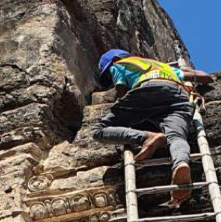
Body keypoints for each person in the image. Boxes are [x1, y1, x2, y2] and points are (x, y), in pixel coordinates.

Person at [91, 49, 213, 206]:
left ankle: (147, 137)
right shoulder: (162, 66)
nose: (110, 76)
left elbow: (122, 92)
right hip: (178, 94)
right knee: (176, 136)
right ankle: (181, 163)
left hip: (147, 90)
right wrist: (192, 78)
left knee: (98, 131)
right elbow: (207, 77)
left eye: (108, 74)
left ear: (114, 59)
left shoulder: (119, 64)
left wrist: (124, 109)